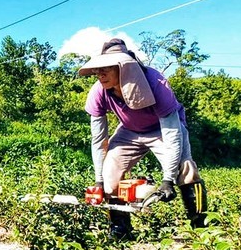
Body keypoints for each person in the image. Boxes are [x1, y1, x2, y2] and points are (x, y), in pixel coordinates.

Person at [78, 38, 207, 239]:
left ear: (123, 68)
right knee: (110, 177)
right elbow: (99, 140)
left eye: (106, 69)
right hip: (129, 131)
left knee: (186, 170)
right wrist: (99, 180)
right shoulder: (98, 91)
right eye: (97, 70)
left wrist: (168, 179)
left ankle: (201, 228)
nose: (99, 74)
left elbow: (172, 133)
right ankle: (120, 231)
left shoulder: (156, 83)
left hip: (162, 129)